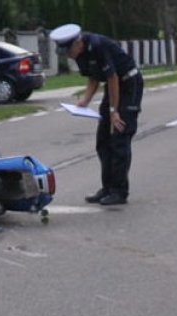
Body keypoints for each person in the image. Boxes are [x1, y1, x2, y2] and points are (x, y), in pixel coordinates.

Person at [51, 24, 143, 205]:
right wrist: (85, 100)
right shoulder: (79, 54)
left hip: (129, 84)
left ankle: (119, 191)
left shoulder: (98, 45)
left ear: (77, 43)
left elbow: (112, 76)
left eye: (68, 51)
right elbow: (93, 77)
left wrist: (114, 111)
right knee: (103, 140)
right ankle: (107, 188)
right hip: (114, 86)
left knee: (119, 137)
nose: (68, 55)